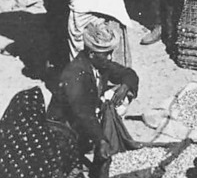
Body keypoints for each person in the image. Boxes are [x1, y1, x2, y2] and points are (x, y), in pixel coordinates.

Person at [47, 20, 139, 163]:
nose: (109, 57)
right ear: (91, 54)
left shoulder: (100, 63)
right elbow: (84, 114)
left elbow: (128, 74)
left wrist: (125, 86)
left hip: (85, 116)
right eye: (106, 54)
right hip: (63, 128)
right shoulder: (75, 75)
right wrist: (101, 140)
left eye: (110, 53)